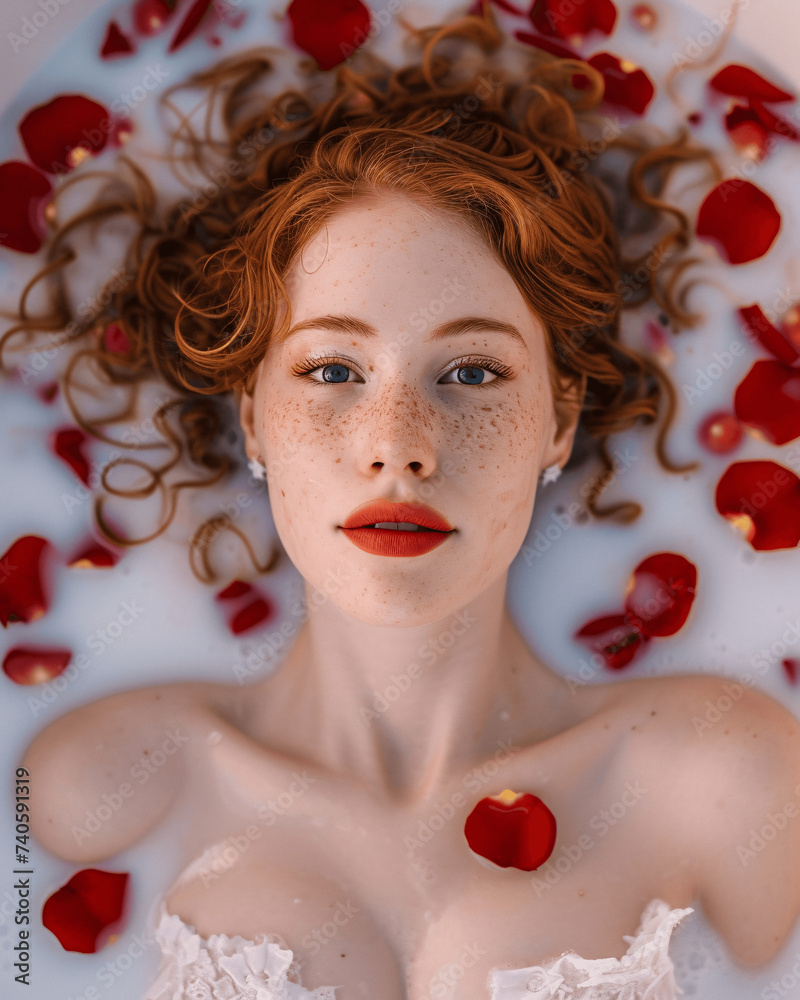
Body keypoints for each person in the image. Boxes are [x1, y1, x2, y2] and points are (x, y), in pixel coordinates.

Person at [15, 4, 800, 998]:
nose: (398, 445)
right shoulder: (89, 786)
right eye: (333, 370)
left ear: (558, 422)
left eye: (471, 373)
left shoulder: (729, 782)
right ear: (253, 419)